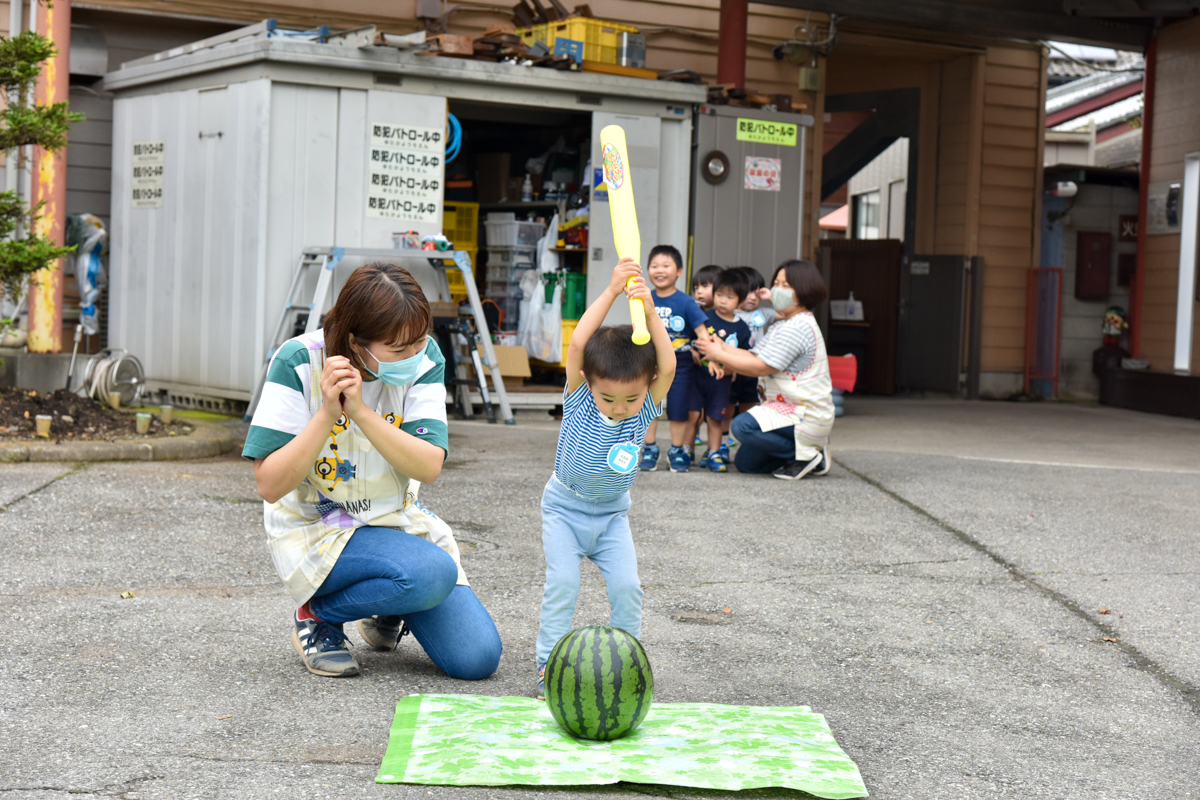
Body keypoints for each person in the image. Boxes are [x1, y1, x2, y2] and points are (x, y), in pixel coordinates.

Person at [243, 263, 503, 679]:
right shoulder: (299, 361)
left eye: (420, 341)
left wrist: (361, 412)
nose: (413, 356)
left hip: (395, 525)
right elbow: (270, 484)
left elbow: (428, 466)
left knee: (477, 658)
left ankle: (389, 599)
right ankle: (318, 615)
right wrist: (327, 413)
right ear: (354, 342)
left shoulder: (425, 359)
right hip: (318, 529)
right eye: (398, 350)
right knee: (431, 572)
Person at [536, 257, 675, 698]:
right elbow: (579, 341)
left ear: (647, 386)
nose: (619, 407)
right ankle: (548, 668)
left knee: (628, 589)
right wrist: (613, 290)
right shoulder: (579, 397)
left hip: (613, 517)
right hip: (564, 510)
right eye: (609, 397)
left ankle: (627, 667)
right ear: (588, 382)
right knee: (563, 585)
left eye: (630, 398)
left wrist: (649, 310)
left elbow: (669, 364)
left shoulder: (645, 408)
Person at [693, 259, 834, 480]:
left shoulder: (797, 327)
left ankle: (806, 455)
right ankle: (804, 451)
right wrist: (721, 346)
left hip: (805, 414)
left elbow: (760, 367)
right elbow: (754, 356)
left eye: (786, 285)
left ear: (804, 289)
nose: (777, 289)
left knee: (742, 426)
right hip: (787, 411)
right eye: (776, 283)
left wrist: (718, 354)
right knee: (747, 464)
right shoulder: (784, 324)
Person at [638, 245, 709, 473]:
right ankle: (649, 449)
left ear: (679, 271)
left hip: (681, 363)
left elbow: (702, 333)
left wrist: (712, 357)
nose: (659, 270)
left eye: (666, 265)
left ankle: (677, 450)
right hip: (649, 362)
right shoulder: (643, 298)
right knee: (648, 406)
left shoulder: (686, 302)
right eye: (654, 266)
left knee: (679, 408)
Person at [689, 268, 752, 472]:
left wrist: (732, 368)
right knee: (693, 415)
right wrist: (693, 351)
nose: (723, 301)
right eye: (719, 295)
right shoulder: (703, 318)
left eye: (730, 297)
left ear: (740, 300)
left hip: (721, 381)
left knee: (715, 417)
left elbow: (744, 355)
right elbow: (692, 340)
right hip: (698, 377)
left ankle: (714, 453)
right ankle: (686, 451)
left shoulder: (742, 328)